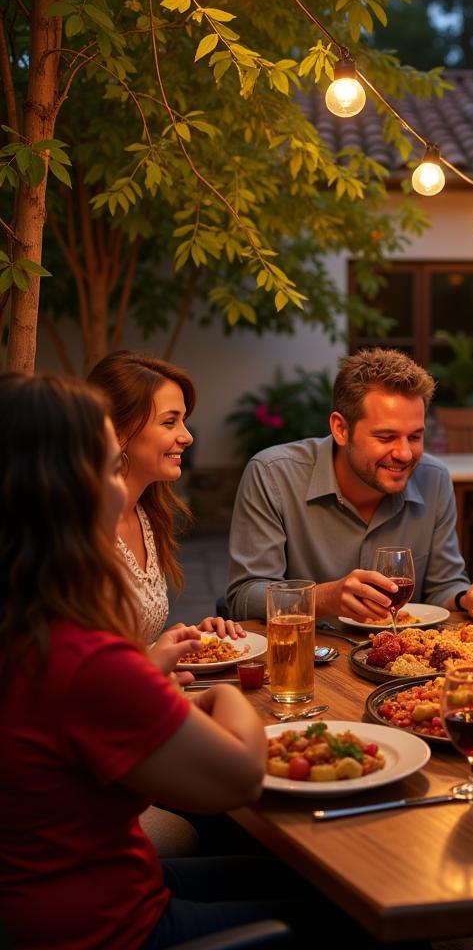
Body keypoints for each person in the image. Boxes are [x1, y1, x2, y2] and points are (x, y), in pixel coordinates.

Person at [0, 372, 285, 949]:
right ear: (64, 490)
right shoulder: (79, 652)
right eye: (107, 467)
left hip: (48, 894)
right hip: (111, 926)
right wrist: (221, 693)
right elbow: (240, 776)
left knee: (299, 875)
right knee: (355, 915)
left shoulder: (22, 623)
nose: (118, 486)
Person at [227, 347, 473, 622]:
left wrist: (465, 597)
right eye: (386, 437)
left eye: (415, 436)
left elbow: (444, 585)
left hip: (400, 658)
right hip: (309, 655)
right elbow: (245, 596)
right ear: (341, 429)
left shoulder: (435, 478)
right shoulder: (273, 474)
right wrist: (323, 598)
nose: (405, 453)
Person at [87, 350, 241, 642]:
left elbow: (134, 643)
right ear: (118, 433)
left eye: (183, 421)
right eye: (170, 422)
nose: (187, 437)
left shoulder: (146, 514)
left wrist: (182, 638)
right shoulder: (80, 529)